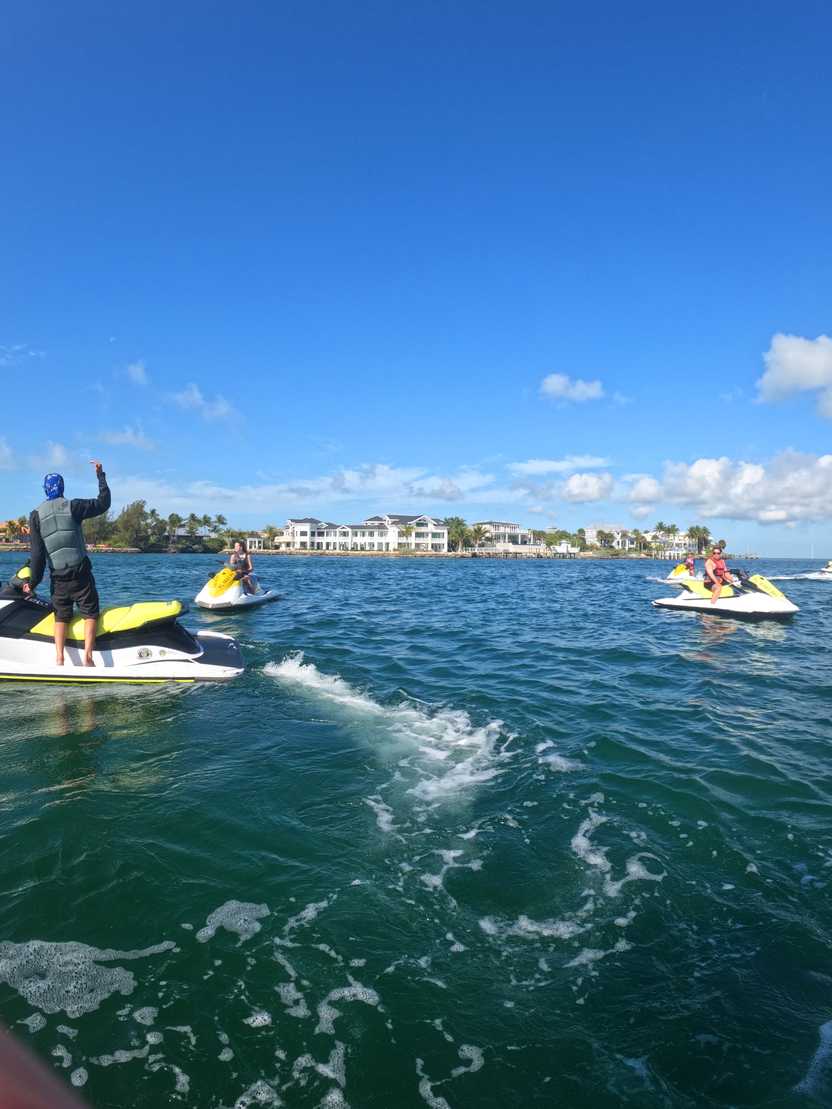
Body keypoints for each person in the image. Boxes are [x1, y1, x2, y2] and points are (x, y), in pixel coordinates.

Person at [27, 461, 111, 666]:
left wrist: (33, 582)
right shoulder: (74, 506)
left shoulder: (35, 515)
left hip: (58, 578)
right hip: (81, 576)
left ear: (45, 489)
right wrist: (101, 476)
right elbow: (103, 503)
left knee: (61, 616)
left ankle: (60, 659)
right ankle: (88, 657)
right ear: (62, 488)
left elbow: (37, 555)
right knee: (90, 613)